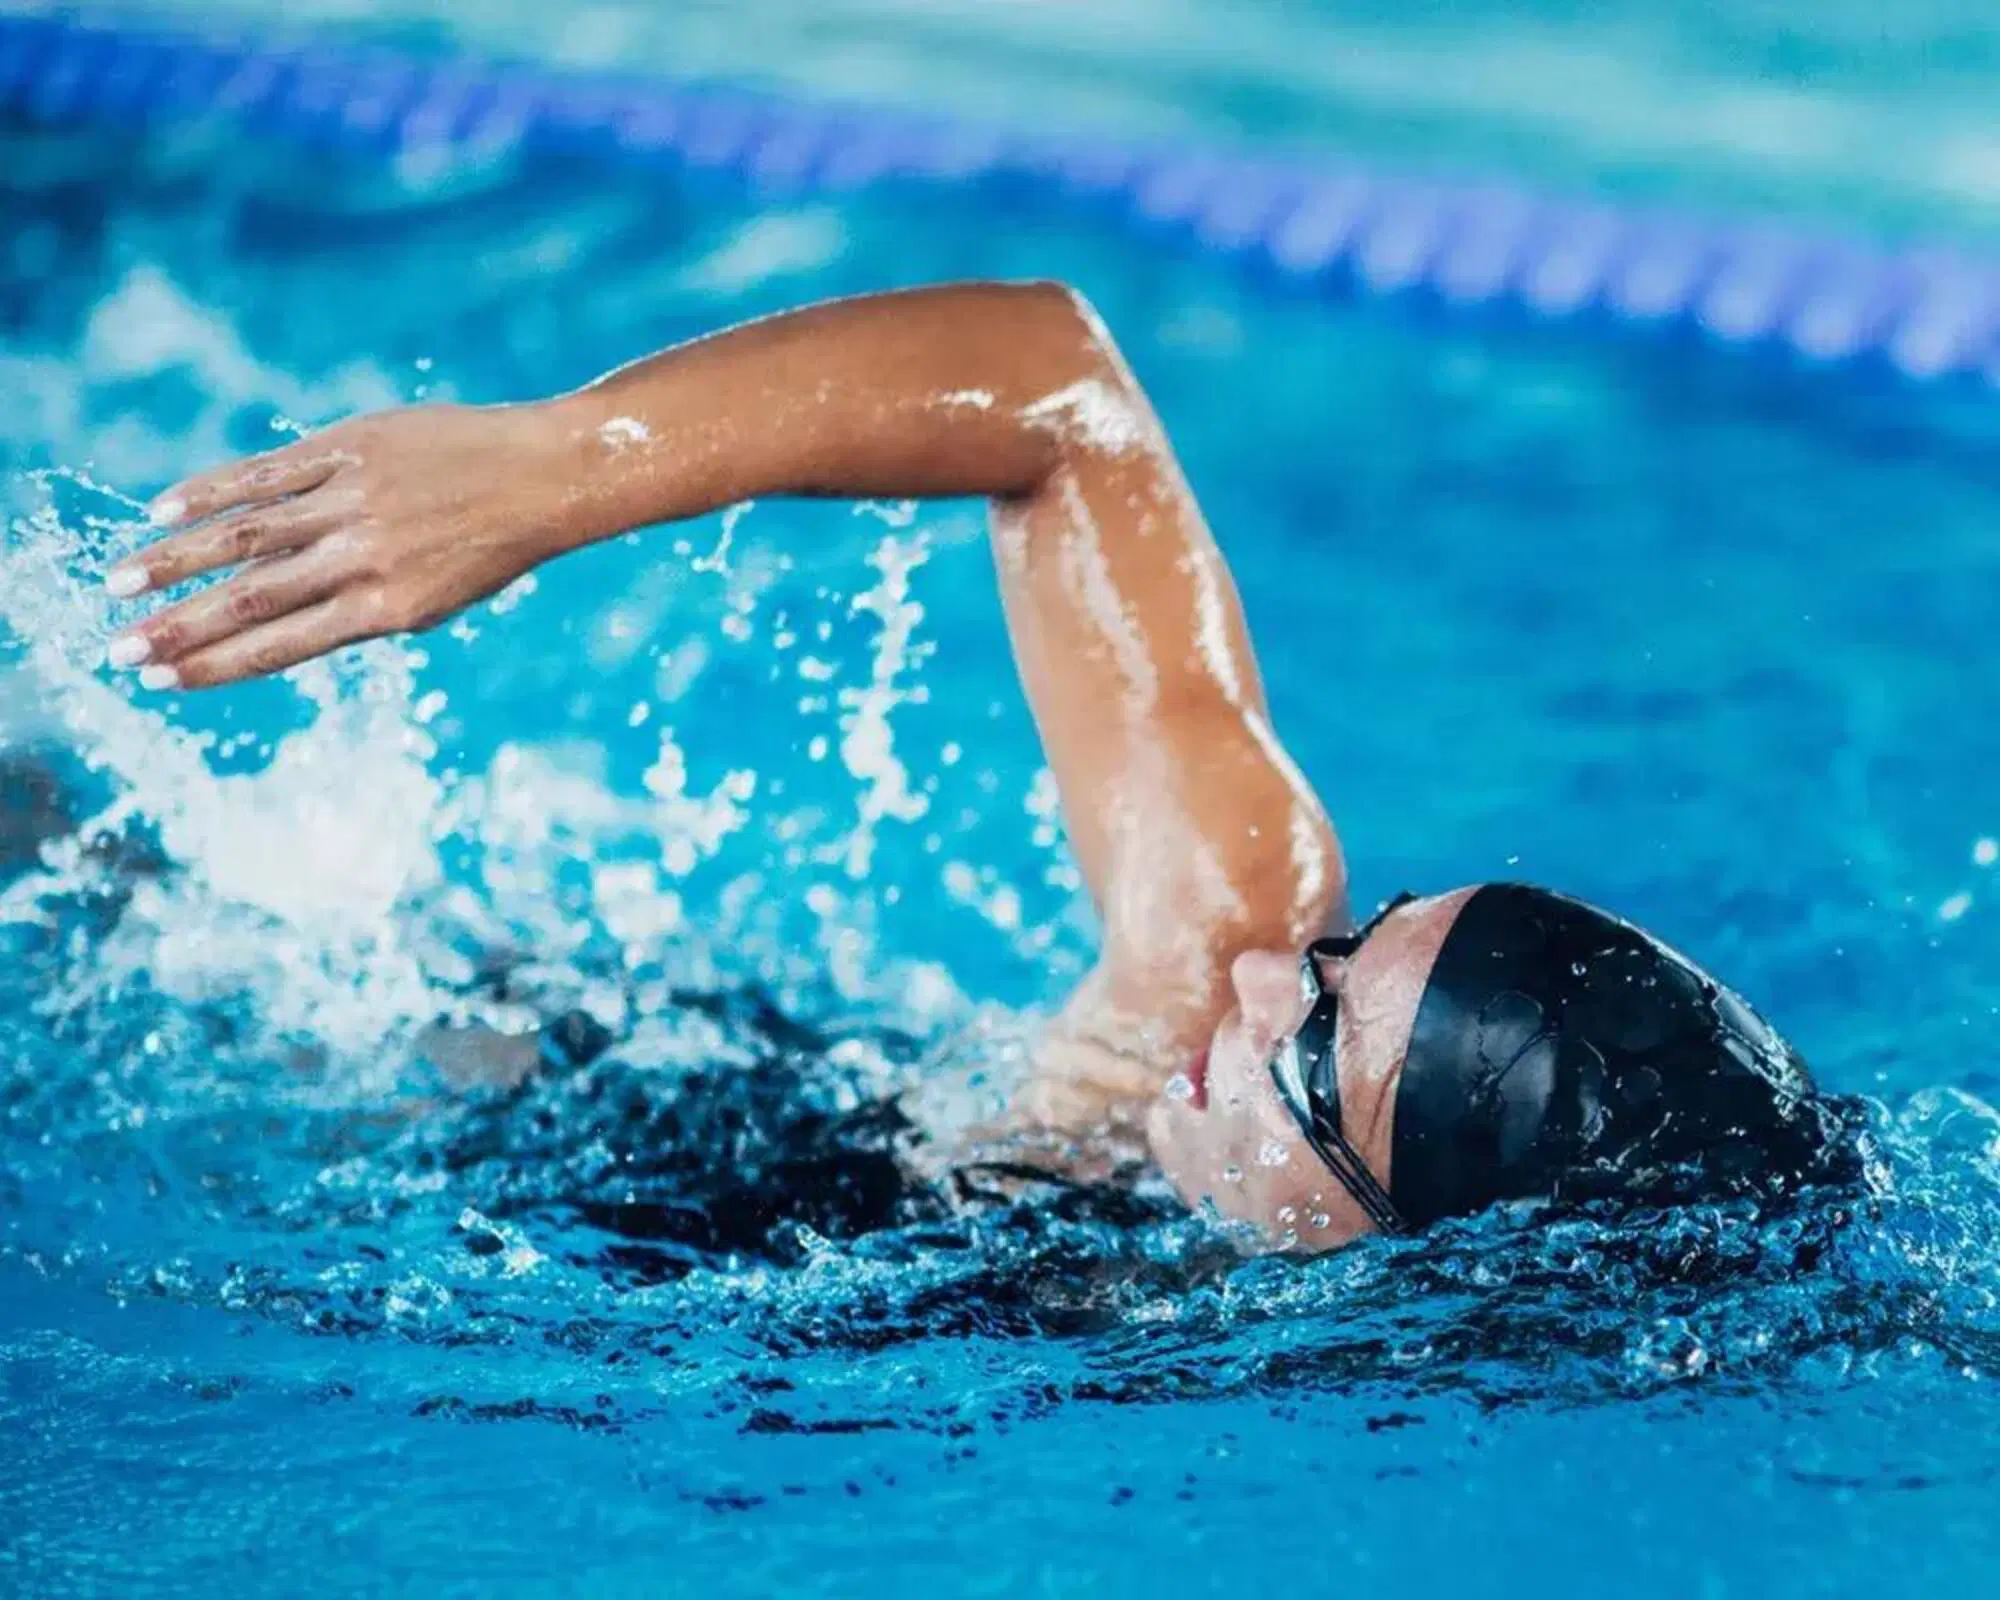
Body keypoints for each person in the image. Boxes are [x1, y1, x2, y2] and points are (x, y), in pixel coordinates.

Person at [101, 281, 1858, 1250]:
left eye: (1321, 1049)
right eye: (1349, 948)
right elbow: (1057, 388)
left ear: (1406, 1247)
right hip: (550, 1092)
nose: (1260, 974)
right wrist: (561, 468)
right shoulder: (1204, 982)